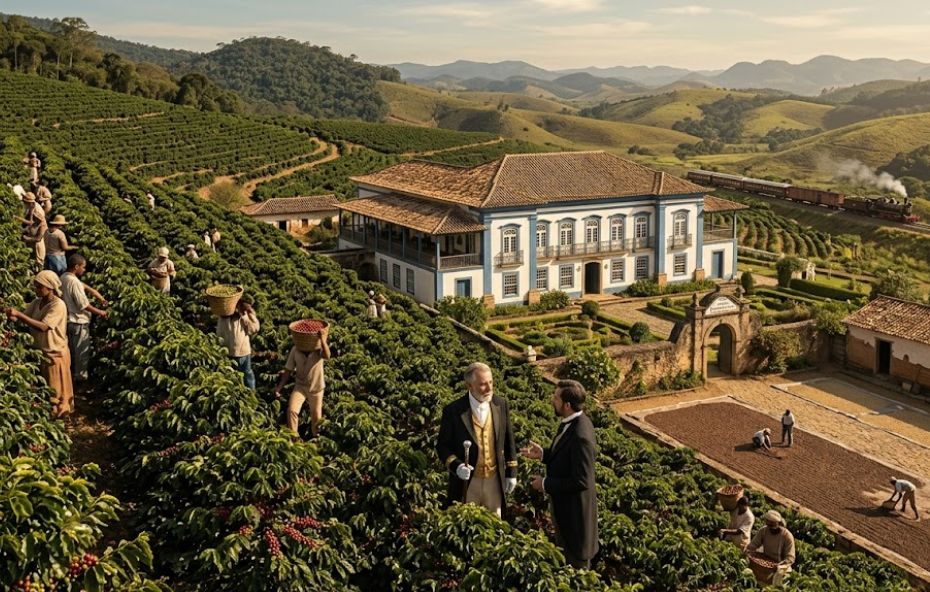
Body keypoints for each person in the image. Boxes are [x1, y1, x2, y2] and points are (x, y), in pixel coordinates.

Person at [521, 379, 598, 569]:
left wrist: (545, 484)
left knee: (575, 568)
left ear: (567, 405)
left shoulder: (581, 436)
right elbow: (568, 458)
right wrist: (544, 455)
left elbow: (581, 481)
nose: (552, 400)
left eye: (555, 397)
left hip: (575, 518)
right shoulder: (573, 422)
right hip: (565, 513)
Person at [437, 362, 518, 518]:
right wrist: (457, 466)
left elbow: (509, 440)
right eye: (482, 384)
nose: (489, 389)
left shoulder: (501, 404)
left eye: (490, 383)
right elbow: (442, 446)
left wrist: (512, 472)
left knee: (495, 527)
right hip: (467, 484)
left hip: (494, 480)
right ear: (469, 386)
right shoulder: (453, 411)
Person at [4, 271, 73, 417]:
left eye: (39, 287)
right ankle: (48, 416)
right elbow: (22, 318)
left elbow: (43, 326)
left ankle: (60, 418)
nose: (36, 290)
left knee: (56, 392)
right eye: (36, 286)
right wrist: (8, 313)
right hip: (39, 351)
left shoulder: (58, 305)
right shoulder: (37, 302)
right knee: (45, 389)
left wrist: (18, 314)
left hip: (55, 353)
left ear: (50, 287)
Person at [275, 327, 331, 438]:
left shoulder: (318, 350)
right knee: (292, 411)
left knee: (316, 418)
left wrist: (323, 340)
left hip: (316, 388)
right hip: (300, 386)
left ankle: (317, 441)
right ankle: (294, 440)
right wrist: (279, 387)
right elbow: (288, 370)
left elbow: (327, 356)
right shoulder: (295, 350)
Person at [60, 255, 108, 382]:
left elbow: (86, 287)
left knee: (72, 351)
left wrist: (99, 297)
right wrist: (101, 312)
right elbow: (84, 305)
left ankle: (71, 376)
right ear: (76, 267)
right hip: (78, 322)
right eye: (83, 267)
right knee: (81, 353)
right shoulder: (74, 282)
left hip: (69, 321)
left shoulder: (64, 277)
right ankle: (80, 379)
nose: (84, 270)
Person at [216, 298, 260, 390]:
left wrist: (244, 316)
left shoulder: (245, 314)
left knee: (247, 374)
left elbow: (255, 328)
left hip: (243, 352)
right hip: (228, 353)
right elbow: (220, 334)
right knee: (230, 376)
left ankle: (251, 395)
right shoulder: (224, 317)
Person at [746, 509, 795, 586]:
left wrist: (779, 565)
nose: (770, 528)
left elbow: (790, 558)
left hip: (781, 568)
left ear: (778, 523)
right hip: (766, 563)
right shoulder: (764, 531)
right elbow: (753, 544)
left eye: (772, 525)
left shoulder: (787, 536)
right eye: (768, 525)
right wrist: (749, 551)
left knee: (777, 585)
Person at [19, 193, 47, 272]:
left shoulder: (38, 213)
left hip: (36, 246)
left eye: (25, 202)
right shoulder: (32, 206)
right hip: (32, 242)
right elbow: (31, 223)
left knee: (37, 266)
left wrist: (26, 239)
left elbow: (38, 238)